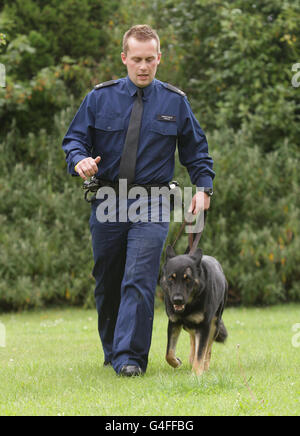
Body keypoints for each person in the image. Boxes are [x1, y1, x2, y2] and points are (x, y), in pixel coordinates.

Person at [62, 25, 214, 377]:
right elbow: (73, 141)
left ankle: (130, 359)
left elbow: (197, 152)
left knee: (140, 275)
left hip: (154, 199)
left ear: (159, 58)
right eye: (136, 60)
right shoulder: (99, 98)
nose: (143, 66)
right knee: (108, 277)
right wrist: (79, 160)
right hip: (108, 198)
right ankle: (113, 349)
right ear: (124, 59)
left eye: (150, 60)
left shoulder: (175, 102)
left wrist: (203, 190)